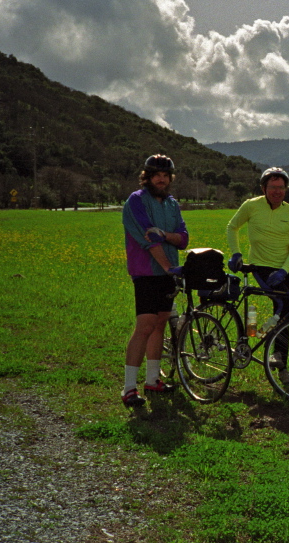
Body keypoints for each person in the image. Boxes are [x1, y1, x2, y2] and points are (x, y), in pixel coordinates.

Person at [120, 154, 189, 408]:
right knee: (145, 325)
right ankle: (128, 388)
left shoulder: (172, 204)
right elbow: (148, 238)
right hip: (147, 273)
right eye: (156, 174)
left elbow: (184, 238)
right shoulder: (136, 201)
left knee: (160, 324)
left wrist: (166, 235)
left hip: (168, 274)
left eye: (165, 175)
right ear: (146, 176)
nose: (161, 179)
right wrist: (169, 265)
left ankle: (152, 381)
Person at [226, 167, 289, 384]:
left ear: (286, 190)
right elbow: (232, 227)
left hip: (282, 270)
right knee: (283, 307)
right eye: (272, 187)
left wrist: (284, 271)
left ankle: (280, 364)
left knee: (285, 313)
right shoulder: (251, 206)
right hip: (259, 267)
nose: (277, 191)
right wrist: (236, 253)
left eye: (281, 188)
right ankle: (256, 342)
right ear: (263, 188)